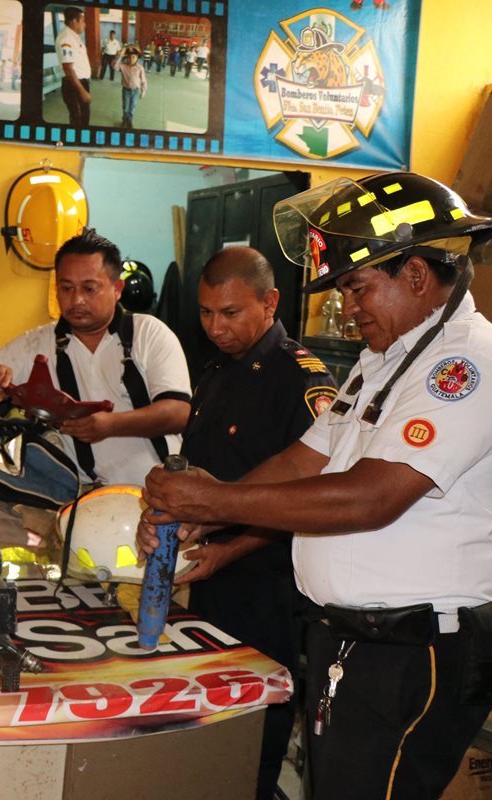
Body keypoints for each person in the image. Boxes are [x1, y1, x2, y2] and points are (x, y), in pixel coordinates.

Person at [140, 173, 492, 799]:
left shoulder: (465, 364)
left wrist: (212, 499)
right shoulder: (383, 360)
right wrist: (204, 513)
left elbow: (371, 497)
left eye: (357, 288)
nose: (347, 308)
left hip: (412, 653)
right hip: (351, 640)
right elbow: (306, 460)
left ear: (414, 274)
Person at [179, 247, 338, 800]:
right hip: (208, 577)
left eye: (230, 313)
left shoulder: (302, 380)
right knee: (209, 717)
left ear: (270, 302)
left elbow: (304, 500)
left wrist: (229, 550)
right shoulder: (216, 373)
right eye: (205, 313)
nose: (215, 328)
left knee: (257, 725)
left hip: (267, 585)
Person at [0, 230, 191, 486]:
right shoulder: (37, 343)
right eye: (66, 288)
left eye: (90, 288)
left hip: (160, 490)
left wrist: (111, 425)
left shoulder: (148, 332)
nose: (77, 299)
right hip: (85, 495)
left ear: (117, 289)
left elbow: (178, 412)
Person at [55, 6, 92, 127]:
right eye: (83, 21)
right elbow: (68, 69)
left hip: (80, 83)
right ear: (74, 21)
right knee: (78, 120)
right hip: (74, 86)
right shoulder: (66, 39)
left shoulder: (74, 37)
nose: (85, 25)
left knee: (84, 117)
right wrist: (82, 91)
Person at [115, 46, 147, 129]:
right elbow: (114, 66)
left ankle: (129, 121)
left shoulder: (140, 68)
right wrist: (120, 56)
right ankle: (124, 120)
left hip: (136, 91)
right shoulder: (123, 66)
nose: (131, 59)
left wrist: (143, 91)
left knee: (132, 107)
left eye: (133, 57)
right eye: (129, 57)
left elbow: (143, 81)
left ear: (137, 58)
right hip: (126, 90)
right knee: (125, 107)